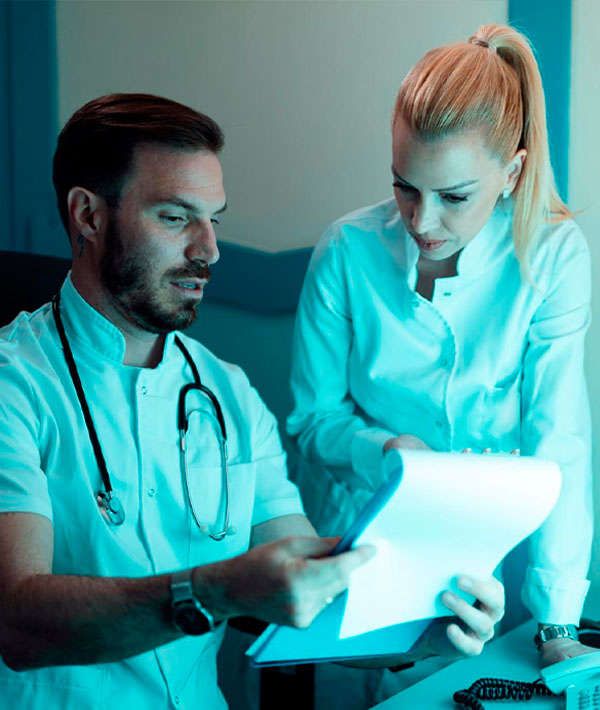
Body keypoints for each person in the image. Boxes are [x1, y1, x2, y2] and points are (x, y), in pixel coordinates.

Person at [0, 94, 503, 709]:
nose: (209, 250)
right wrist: (212, 591)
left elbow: (318, 594)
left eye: (214, 220)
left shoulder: (229, 395)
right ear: (88, 215)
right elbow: (17, 623)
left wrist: (427, 632)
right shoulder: (13, 385)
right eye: (176, 217)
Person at [287, 22, 595, 687]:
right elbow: (312, 422)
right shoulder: (346, 251)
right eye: (405, 187)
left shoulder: (553, 257)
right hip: (355, 546)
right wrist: (383, 451)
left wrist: (558, 625)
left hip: (487, 564)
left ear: (512, 173)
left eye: (454, 197)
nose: (421, 222)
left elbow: (559, 441)